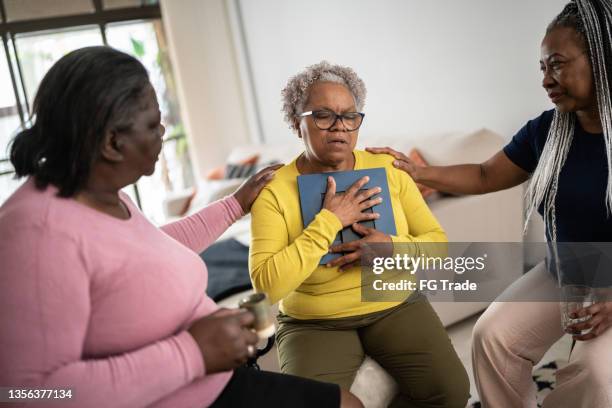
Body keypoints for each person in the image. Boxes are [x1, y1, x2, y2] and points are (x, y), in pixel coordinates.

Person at [0, 46, 364, 408]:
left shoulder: (101, 193)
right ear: (113, 142)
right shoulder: (36, 235)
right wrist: (190, 353)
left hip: (213, 379)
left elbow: (153, 249)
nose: (163, 130)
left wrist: (234, 205)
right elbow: (25, 394)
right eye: (153, 123)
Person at [367, 1, 612, 406]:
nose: (547, 79)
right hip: (565, 271)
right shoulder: (546, 131)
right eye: (542, 69)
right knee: (492, 336)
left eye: (557, 64)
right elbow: (485, 174)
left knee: (597, 374)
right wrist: (416, 171)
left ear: (600, 59)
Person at [249, 61, 469, 407]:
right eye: (323, 115)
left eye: (350, 116)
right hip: (313, 321)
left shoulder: (388, 169)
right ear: (296, 123)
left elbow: (437, 245)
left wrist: (393, 249)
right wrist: (328, 221)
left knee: (452, 391)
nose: (339, 127)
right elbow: (267, 285)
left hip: (392, 302)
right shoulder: (274, 190)